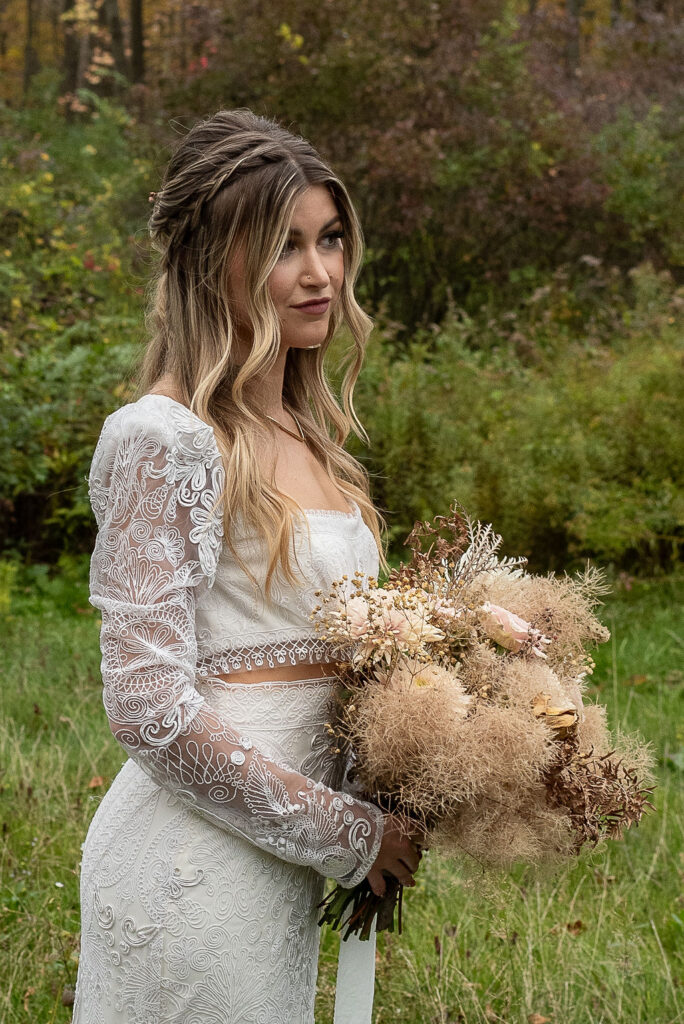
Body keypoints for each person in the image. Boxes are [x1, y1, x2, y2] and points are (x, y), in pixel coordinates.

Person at [72, 109, 422, 1024]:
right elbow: (146, 705)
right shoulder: (163, 439)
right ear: (208, 261)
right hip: (197, 869)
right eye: (283, 246)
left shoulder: (306, 432)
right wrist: (348, 836)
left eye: (330, 239)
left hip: (279, 872)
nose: (320, 274)